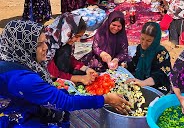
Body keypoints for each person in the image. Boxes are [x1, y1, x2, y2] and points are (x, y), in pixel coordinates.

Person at [0, 20, 131, 127]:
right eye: (39, 44)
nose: (46, 47)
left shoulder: (15, 57)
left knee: (62, 95)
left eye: (45, 41)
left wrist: (84, 70)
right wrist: (105, 99)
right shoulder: (22, 79)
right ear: (23, 46)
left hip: (23, 102)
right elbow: (65, 102)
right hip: (14, 116)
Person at [45, 13, 97, 85]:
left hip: (61, 72)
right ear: (67, 30)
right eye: (76, 36)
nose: (78, 40)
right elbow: (52, 74)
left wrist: (86, 69)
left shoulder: (64, 40)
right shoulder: (48, 43)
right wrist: (80, 78)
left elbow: (70, 59)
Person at [124, 22, 171, 94]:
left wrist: (144, 83)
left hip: (156, 87)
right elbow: (134, 63)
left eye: (149, 41)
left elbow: (160, 75)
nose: (144, 43)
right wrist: (124, 65)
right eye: (142, 39)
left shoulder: (162, 53)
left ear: (156, 40)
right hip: (139, 82)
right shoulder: (140, 48)